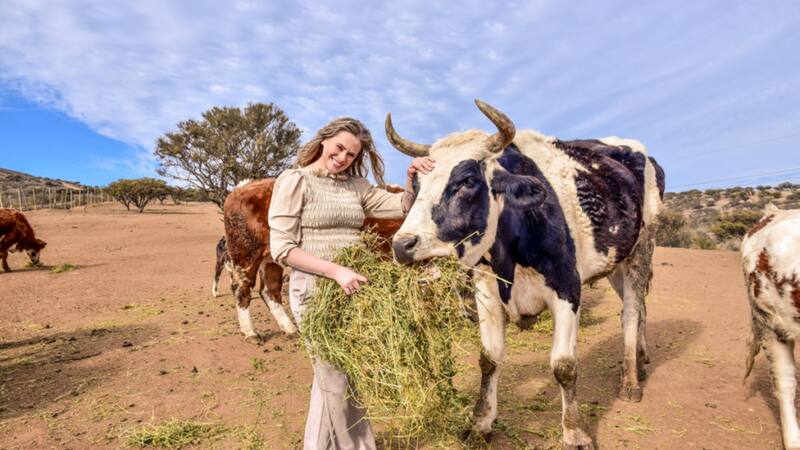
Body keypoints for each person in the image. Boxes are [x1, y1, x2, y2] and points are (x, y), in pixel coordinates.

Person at [268, 117, 434, 449]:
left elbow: (401, 207)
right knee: (334, 377)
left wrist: (412, 176)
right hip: (315, 291)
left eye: (352, 154)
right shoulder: (294, 180)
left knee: (341, 375)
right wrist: (335, 271)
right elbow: (282, 250)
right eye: (340, 147)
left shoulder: (355, 186)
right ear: (324, 140)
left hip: (353, 289)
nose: (343, 157)